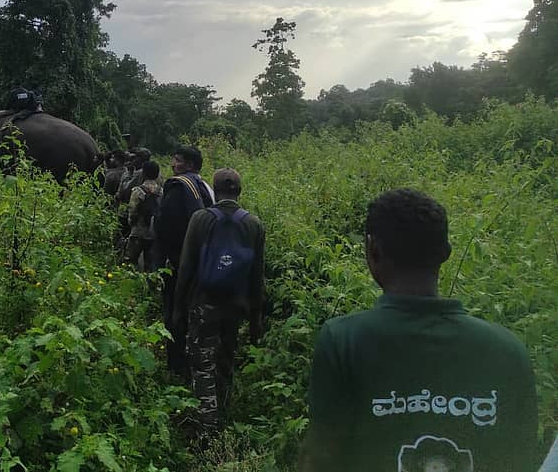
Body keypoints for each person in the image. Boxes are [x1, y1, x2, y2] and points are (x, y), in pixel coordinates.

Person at [299, 188, 539, 472]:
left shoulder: (343, 340)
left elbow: (323, 458)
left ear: (373, 250)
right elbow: (522, 458)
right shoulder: (509, 351)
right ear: (445, 254)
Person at [172, 168, 265, 434]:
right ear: (240, 192)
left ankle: (207, 428)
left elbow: (186, 267)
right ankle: (224, 413)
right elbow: (257, 276)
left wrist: (178, 309)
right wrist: (256, 319)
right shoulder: (254, 224)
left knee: (202, 364)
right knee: (226, 358)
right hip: (236, 306)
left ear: (214, 191)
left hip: (204, 303)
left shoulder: (200, 218)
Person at [153, 145, 214, 376]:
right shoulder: (204, 186)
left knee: (175, 311)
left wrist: (161, 262)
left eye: (177, 160)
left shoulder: (177, 187)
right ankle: (198, 358)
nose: (172, 164)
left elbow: (164, 227)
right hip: (203, 263)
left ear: (189, 164)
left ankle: (177, 365)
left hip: (178, 262)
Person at [126, 160, 163, 270]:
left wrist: (131, 223)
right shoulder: (162, 192)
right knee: (150, 265)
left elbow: (132, 211)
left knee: (130, 262)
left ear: (144, 173)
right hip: (153, 232)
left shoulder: (138, 191)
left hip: (138, 231)